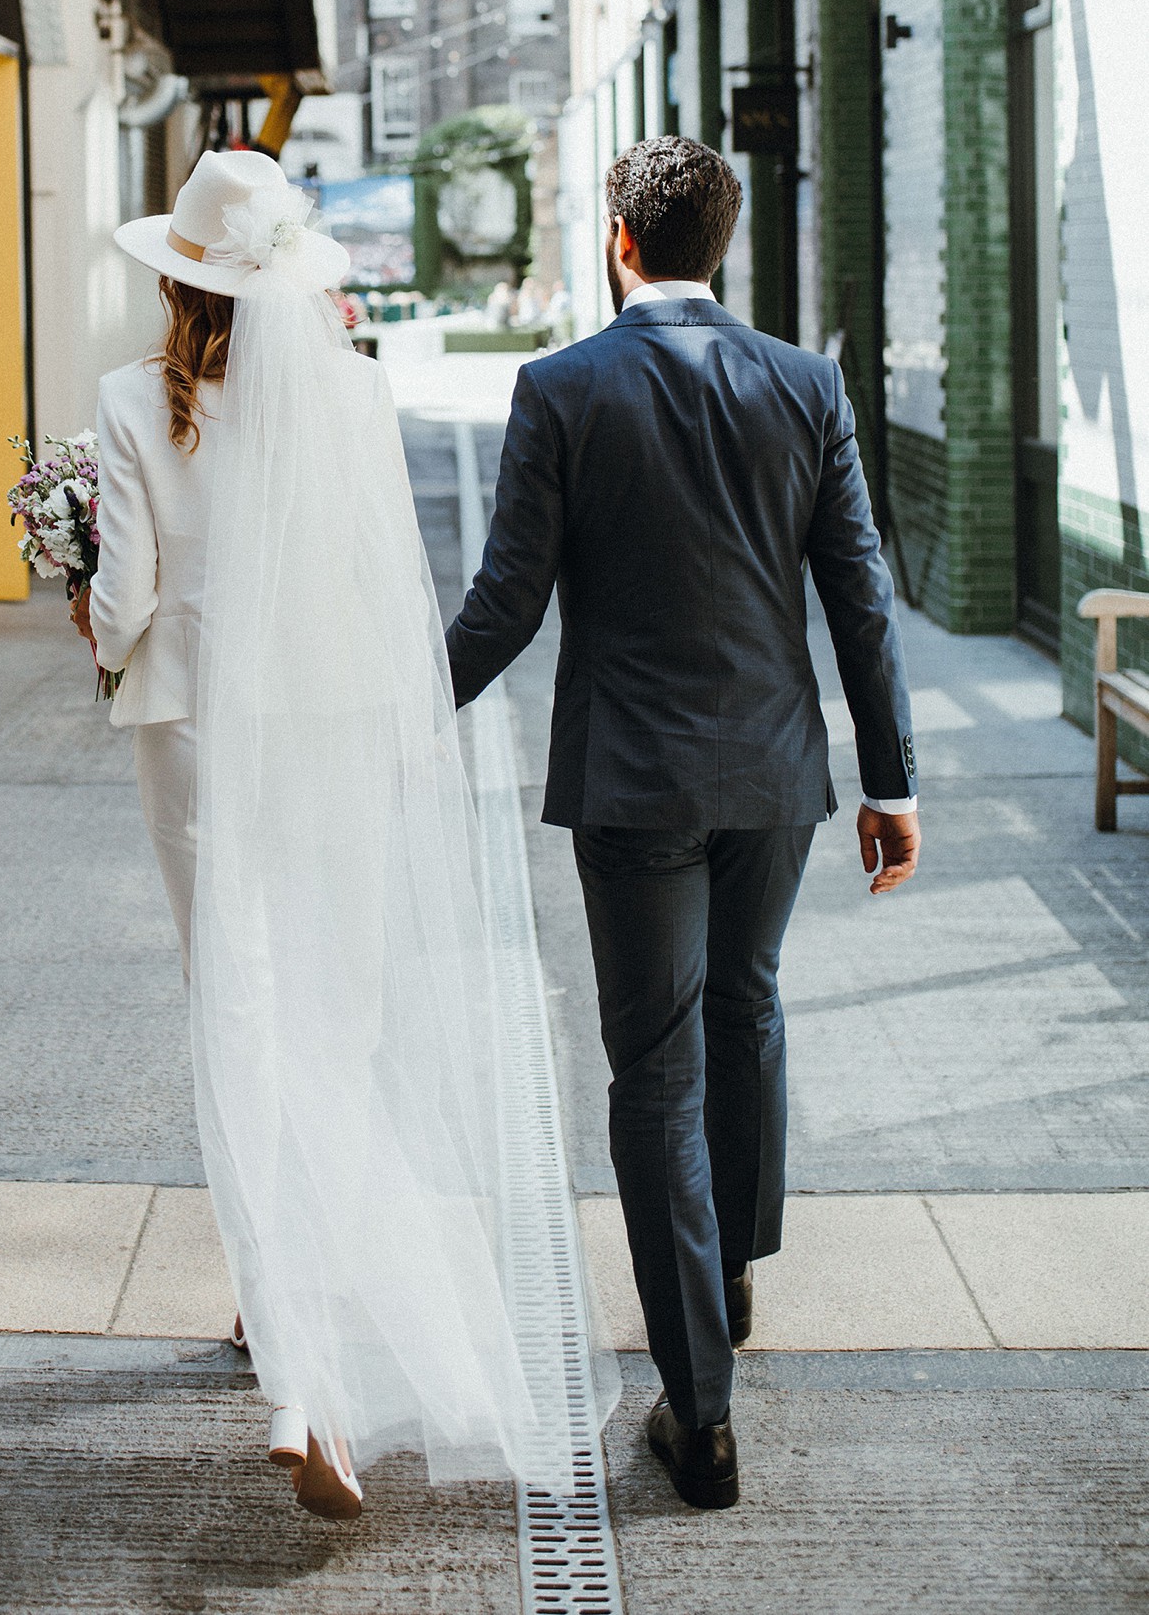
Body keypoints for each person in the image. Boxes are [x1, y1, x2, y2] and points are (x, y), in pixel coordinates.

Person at [76, 147, 588, 1522]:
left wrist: (89, 614)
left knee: (240, 1013)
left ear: (180, 277)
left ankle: (299, 1378)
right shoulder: (357, 393)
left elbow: (124, 601)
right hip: (339, 730)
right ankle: (325, 1371)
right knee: (334, 1025)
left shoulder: (134, 400)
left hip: (193, 741)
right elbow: (386, 587)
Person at [446, 135, 920, 1513]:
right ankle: (732, 1276)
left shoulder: (562, 389)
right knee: (748, 1006)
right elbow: (861, 598)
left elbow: (506, 605)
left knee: (653, 1072)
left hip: (635, 784)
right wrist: (891, 782)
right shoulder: (805, 384)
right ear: (725, 243)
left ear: (618, 240)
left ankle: (701, 1414)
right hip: (774, 777)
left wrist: (396, 706)